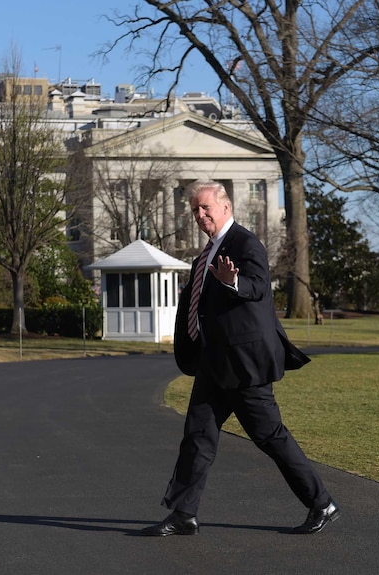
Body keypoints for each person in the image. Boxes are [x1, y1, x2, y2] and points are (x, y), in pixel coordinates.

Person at [140, 180, 340, 537]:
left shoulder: (245, 243)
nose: (201, 216)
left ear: (226, 207)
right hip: (214, 365)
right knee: (197, 437)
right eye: (196, 211)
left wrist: (234, 282)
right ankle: (184, 514)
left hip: (244, 367)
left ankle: (321, 503)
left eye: (206, 208)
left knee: (270, 437)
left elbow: (259, 286)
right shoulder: (206, 253)